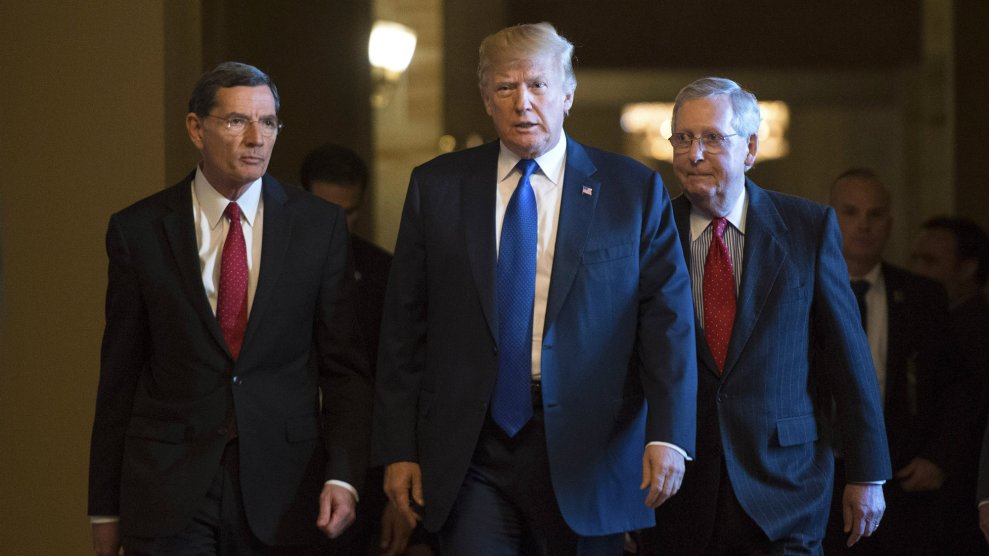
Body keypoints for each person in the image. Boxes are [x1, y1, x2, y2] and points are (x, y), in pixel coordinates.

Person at [372, 22, 697, 555]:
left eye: (538, 85)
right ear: (486, 99)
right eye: (506, 87)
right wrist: (398, 447)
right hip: (471, 447)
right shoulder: (438, 186)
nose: (522, 102)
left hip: (591, 446)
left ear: (567, 94)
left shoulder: (631, 189)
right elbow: (403, 327)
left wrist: (669, 432)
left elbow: (667, 322)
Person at [87, 62, 371, 555]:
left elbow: (345, 370)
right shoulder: (139, 230)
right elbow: (119, 376)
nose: (256, 138)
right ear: (197, 129)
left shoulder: (318, 227)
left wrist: (344, 476)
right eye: (238, 121)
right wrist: (104, 507)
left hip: (284, 487)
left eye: (269, 122)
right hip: (169, 487)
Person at [643, 77, 891, 555]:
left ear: (751, 148)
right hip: (678, 492)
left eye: (712, 138)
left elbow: (848, 356)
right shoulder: (650, 232)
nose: (694, 154)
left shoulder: (806, 227)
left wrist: (867, 473)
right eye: (683, 138)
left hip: (786, 486)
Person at [300, 144, 436, 556]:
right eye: (325, 211)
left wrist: (401, 499)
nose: (336, 225)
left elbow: (400, 379)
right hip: (287, 462)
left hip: (367, 468)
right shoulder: (270, 263)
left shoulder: (382, 273)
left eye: (347, 213)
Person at [823, 169, 958, 555]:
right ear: (830, 218)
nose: (864, 225)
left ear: (891, 224)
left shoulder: (923, 296)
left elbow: (956, 387)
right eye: (851, 212)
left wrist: (938, 456)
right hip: (818, 471)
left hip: (899, 475)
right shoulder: (802, 287)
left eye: (875, 214)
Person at [911, 215, 989, 554]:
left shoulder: (974, 328)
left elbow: (973, 410)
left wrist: (941, 458)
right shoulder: (941, 319)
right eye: (915, 258)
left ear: (968, 268)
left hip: (961, 494)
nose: (916, 270)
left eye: (929, 261)